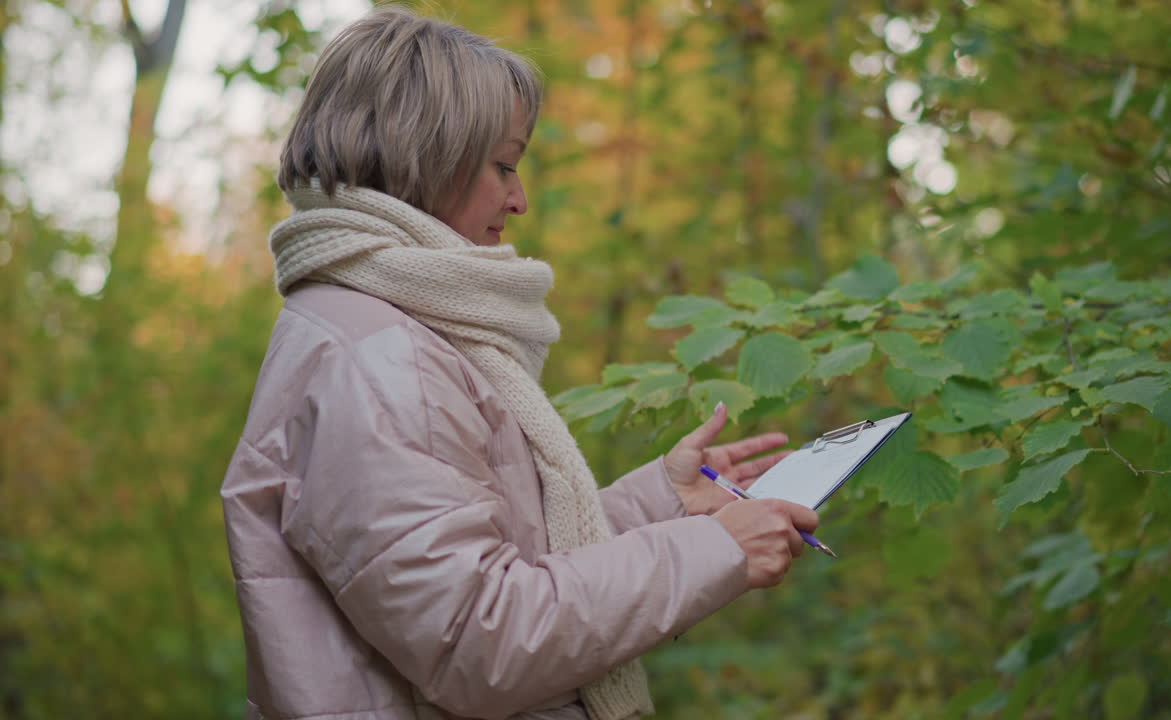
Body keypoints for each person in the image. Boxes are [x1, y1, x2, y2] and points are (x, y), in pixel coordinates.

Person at [220, 7, 820, 720]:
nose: (520, 197)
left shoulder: (387, 326)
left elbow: (484, 575)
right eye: (503, 164)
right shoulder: (381, 359)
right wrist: (711, 552)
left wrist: (661, 506)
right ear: (427, 155)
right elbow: (480, 642)